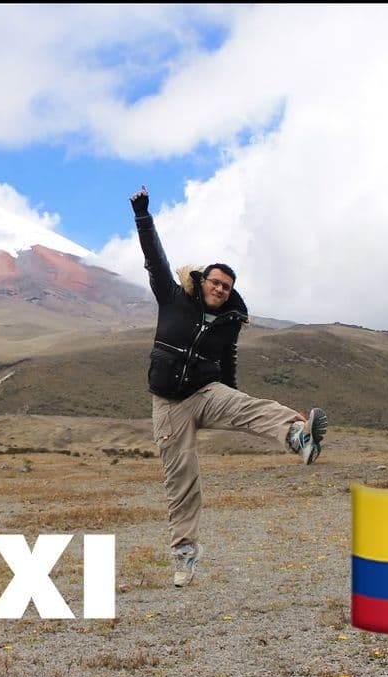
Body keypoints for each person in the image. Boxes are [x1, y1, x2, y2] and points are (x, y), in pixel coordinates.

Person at [129, 184, 328, 588]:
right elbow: (154, 260)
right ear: (203, 281)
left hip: (205, 393)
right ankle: (184, 554)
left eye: (227, 286)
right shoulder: (173, 300)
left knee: (251, 406)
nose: (220, 289)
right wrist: (142, 216)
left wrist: (233, 399)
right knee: (182, 479)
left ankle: (298, 437)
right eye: (215, 282)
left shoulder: (228, 322)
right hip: (168, 405)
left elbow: (228, 362)